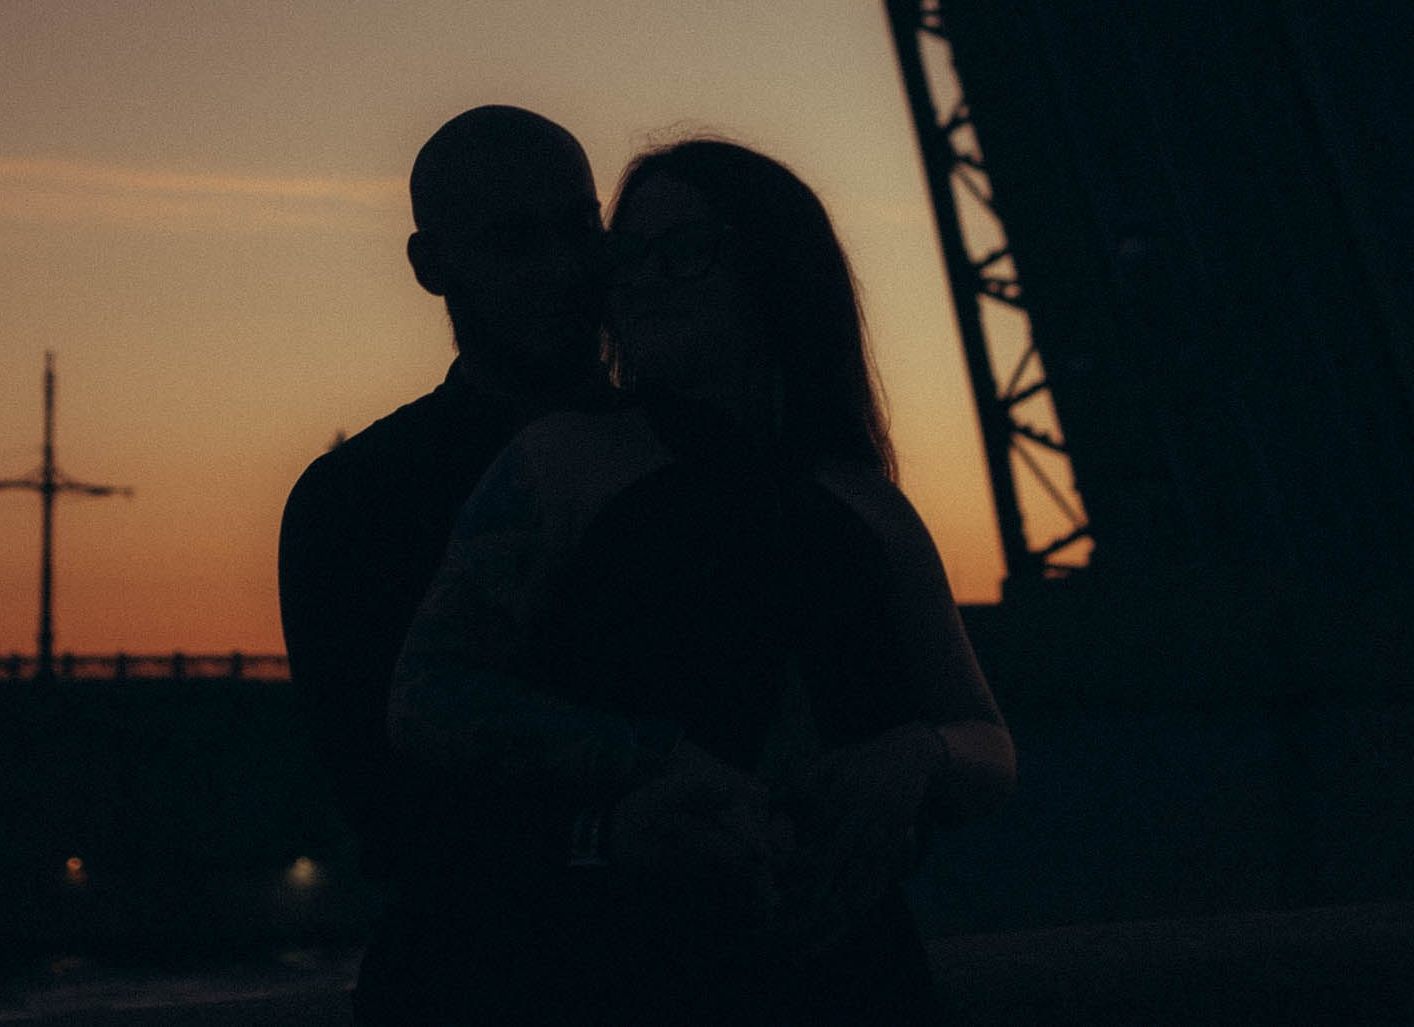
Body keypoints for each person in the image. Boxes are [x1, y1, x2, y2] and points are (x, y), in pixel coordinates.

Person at [389, 137, 1016, 1024]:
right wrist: (656, 765)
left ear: (777, 269)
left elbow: (987, 741)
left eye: (681, 251)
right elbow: (429, 696)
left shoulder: (871, 506)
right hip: (634, 975)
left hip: (857, 979)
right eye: (629, 256)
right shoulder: (559, 463)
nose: (639, 280)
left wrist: (918, 755)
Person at [277, 104, 613, 1023]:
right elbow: (389, 803)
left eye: (579, 229)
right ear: (432, 268)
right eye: (515, 239)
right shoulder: (352, 501)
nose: (560, 267)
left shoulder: (353, 496)